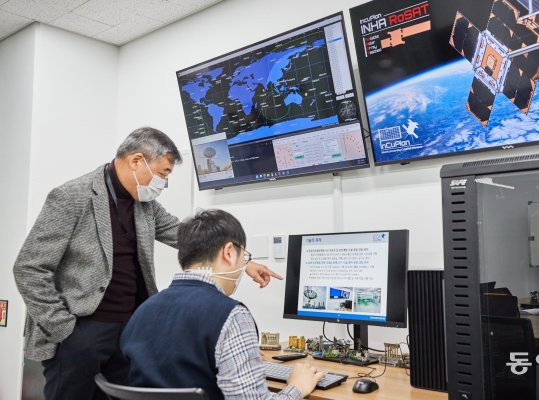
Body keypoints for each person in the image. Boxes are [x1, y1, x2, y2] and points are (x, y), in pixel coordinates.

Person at [13, 127, 282, 400]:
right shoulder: (72, 196)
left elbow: (188, 236)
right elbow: (29, 268)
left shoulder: (145, 204)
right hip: (80, 332)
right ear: (137, 161)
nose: (163, 183)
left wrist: (242, 260)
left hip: (128, 334)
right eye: (163, 173)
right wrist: (63, 328)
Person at [120, 209, 324, 399]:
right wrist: (296, 387)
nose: (243, 265)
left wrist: (237, 357)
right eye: (244, 256)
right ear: (228, 252)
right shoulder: (231, 315)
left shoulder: (144, 308)